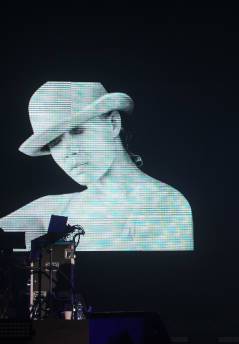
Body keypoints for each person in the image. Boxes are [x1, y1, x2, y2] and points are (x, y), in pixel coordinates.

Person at [0, 82, 193, 251]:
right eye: (56, 142)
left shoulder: (162, 204)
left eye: (78, 131)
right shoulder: (55, 212)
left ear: (113, 123)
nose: (69, 150)